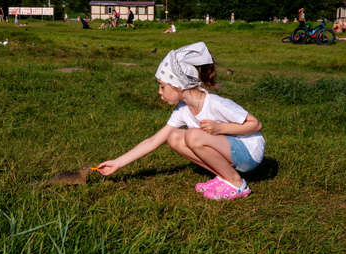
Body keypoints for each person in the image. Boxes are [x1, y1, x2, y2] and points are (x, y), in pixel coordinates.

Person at [96, 42, 265, 201]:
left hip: (250, 152)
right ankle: (225, 177)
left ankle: (238, 184)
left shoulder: (215, 103)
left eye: (162, 86)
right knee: (174, 137)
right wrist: (117, 163)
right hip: (231, 151)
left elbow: (255, 124)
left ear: (178, 84)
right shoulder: (182, 111)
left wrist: (220, 128)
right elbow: (153, 141)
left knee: (193, 136)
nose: (159, 92)